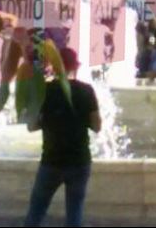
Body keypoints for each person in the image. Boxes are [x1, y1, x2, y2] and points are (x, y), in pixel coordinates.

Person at [23, 48, 101, 227]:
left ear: (54, 67)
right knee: (75, 214)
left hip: (52, 161)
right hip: (79, 161)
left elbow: (31, 126)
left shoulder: (45, 91)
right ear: (76, 66)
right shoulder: (86, 91)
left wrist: (49, 120)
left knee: (36, 212)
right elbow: (97, 126)